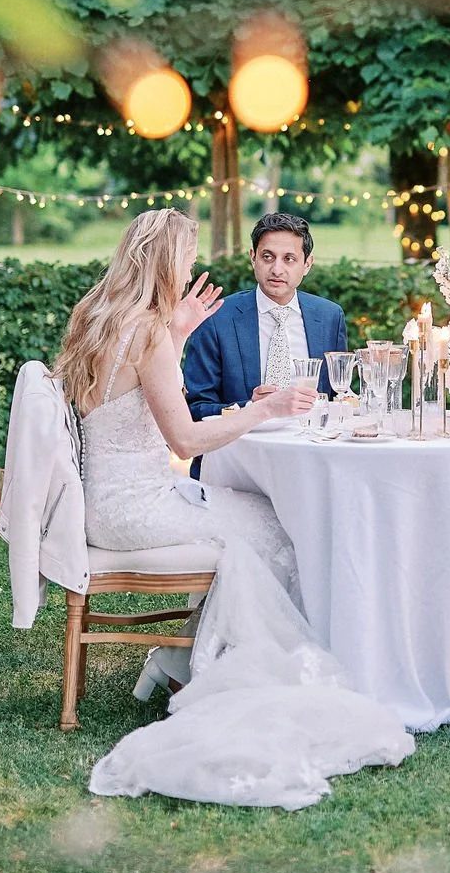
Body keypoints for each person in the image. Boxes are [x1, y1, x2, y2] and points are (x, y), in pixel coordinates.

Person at [52, 207, 316, 694]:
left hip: (102, 503)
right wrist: (268, 408)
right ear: (166, 262)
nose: (191, 272)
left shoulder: (103, 318)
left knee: (251, 520)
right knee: (280, 526)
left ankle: (180, 657)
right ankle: (208, 668)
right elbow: (186, 439)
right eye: (188, 260)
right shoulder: (147, 332)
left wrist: (179, 332)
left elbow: (130, 390)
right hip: (137, 511)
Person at [183, 212, 347, 421]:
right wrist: (251, 407)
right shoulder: (216, 317)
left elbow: (338, 398)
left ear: (307, 264)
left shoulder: (330, 317)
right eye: (267, 257)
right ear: (253, 258)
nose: (277, 269)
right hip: (243, 448)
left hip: (311, 445)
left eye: (289, 259)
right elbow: (195, 407)